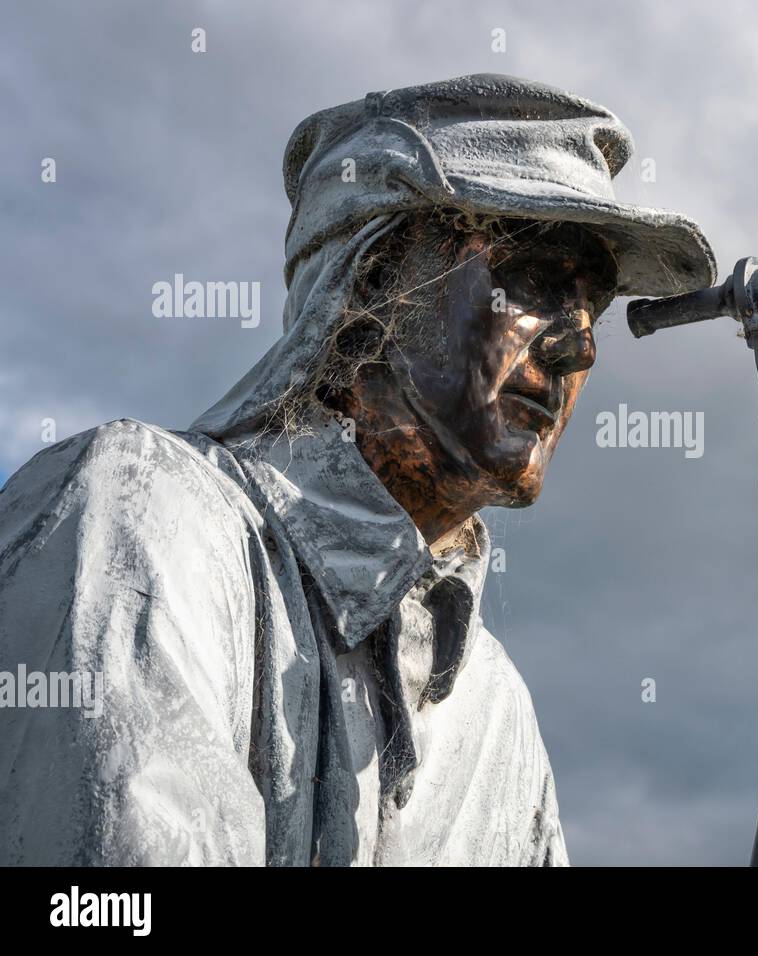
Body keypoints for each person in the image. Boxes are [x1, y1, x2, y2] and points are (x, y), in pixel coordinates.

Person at [0, 74, 715, 865]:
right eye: (535, 281)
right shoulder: (146, 521)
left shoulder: (494, 710)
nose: (579, 347)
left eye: (594, 310)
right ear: (370, 280)